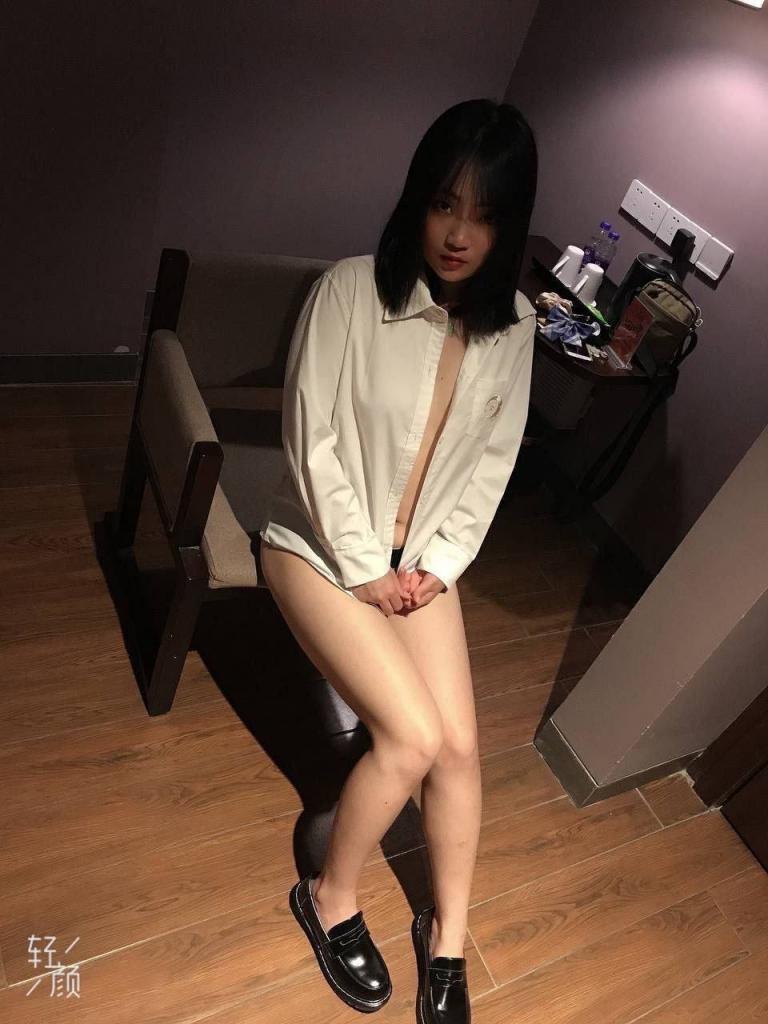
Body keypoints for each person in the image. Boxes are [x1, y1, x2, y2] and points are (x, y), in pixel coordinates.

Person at [259, 97, 538, 1023]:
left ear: (509, 226)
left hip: (417, 562)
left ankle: (447, 939)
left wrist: (439, 565)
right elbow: (311, 443)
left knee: (460, 747)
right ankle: (328, 895)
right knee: (412, 738)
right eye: (445, 204)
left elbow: (489, 469)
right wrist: (363, 567)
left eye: (485, 216)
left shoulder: (515, 326)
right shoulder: (349, 291)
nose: (459, 235)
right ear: (417, 200)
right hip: (316, 544)